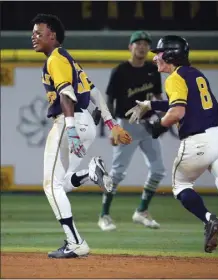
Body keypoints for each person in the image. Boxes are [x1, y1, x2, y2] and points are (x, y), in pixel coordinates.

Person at [126, 35, 218, 263]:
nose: (155, 57)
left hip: (198, 142)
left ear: (170, 55)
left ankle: (209, 220)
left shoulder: (174, 78)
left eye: (158, 53)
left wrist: (158, 125)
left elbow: (178, 112)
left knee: (181, 186)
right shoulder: (195, 74)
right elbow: (185, 102)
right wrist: (151, 104)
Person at [31, 13, 132, 258]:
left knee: (50, 186)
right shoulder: (69, 59)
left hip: (71, 122)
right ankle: (90, 173)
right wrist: (111, 124)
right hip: (85, 122)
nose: (33, 36)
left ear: (52, 35)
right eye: (33, 32)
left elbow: (66, 95)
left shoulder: (56, 58)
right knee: (62, 184)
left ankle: (75, 242)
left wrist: (71, 129)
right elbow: (95, 93)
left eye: (38, 32)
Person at [97, 31, 166, 231]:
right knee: (117, 173)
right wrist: (113, 127)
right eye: (138, 43)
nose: (142, 47)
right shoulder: (120, 71)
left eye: (146, 44)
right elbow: (109, 101)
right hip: (125, 124)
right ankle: (104, 215)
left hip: (146, 125)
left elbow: (157, 97)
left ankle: (142, 211)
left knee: (158, 169)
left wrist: (161, 120)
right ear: (130, 47)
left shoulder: (153, 70)